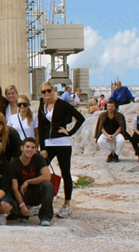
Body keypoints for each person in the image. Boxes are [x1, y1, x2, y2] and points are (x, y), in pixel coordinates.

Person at [38, 81, 85, 218]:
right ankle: (38, 203)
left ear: (53, 90)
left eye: (49, 90)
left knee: (65, 173)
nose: (47, 93)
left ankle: (67, 204)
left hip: (62, 143)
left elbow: (80, 118)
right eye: (44, 92)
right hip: (48, 144)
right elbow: (41, 128)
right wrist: (42, 147)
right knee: (40, 171)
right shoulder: (42, 107)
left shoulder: (62, 104)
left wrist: (69, 132)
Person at [11, 138, 54, 226]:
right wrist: (22, 205)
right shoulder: (14, 164)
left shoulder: (38, 159)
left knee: (48, 185)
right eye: (27, 147)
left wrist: (28, 181)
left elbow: (47, 176)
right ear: (22, 148)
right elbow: (14, 189)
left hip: (36, 191)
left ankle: (45, 216)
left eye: (32, 147)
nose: (30, 150)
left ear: (35, 150)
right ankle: (21, 213)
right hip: (21, 194)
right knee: (10, 192)